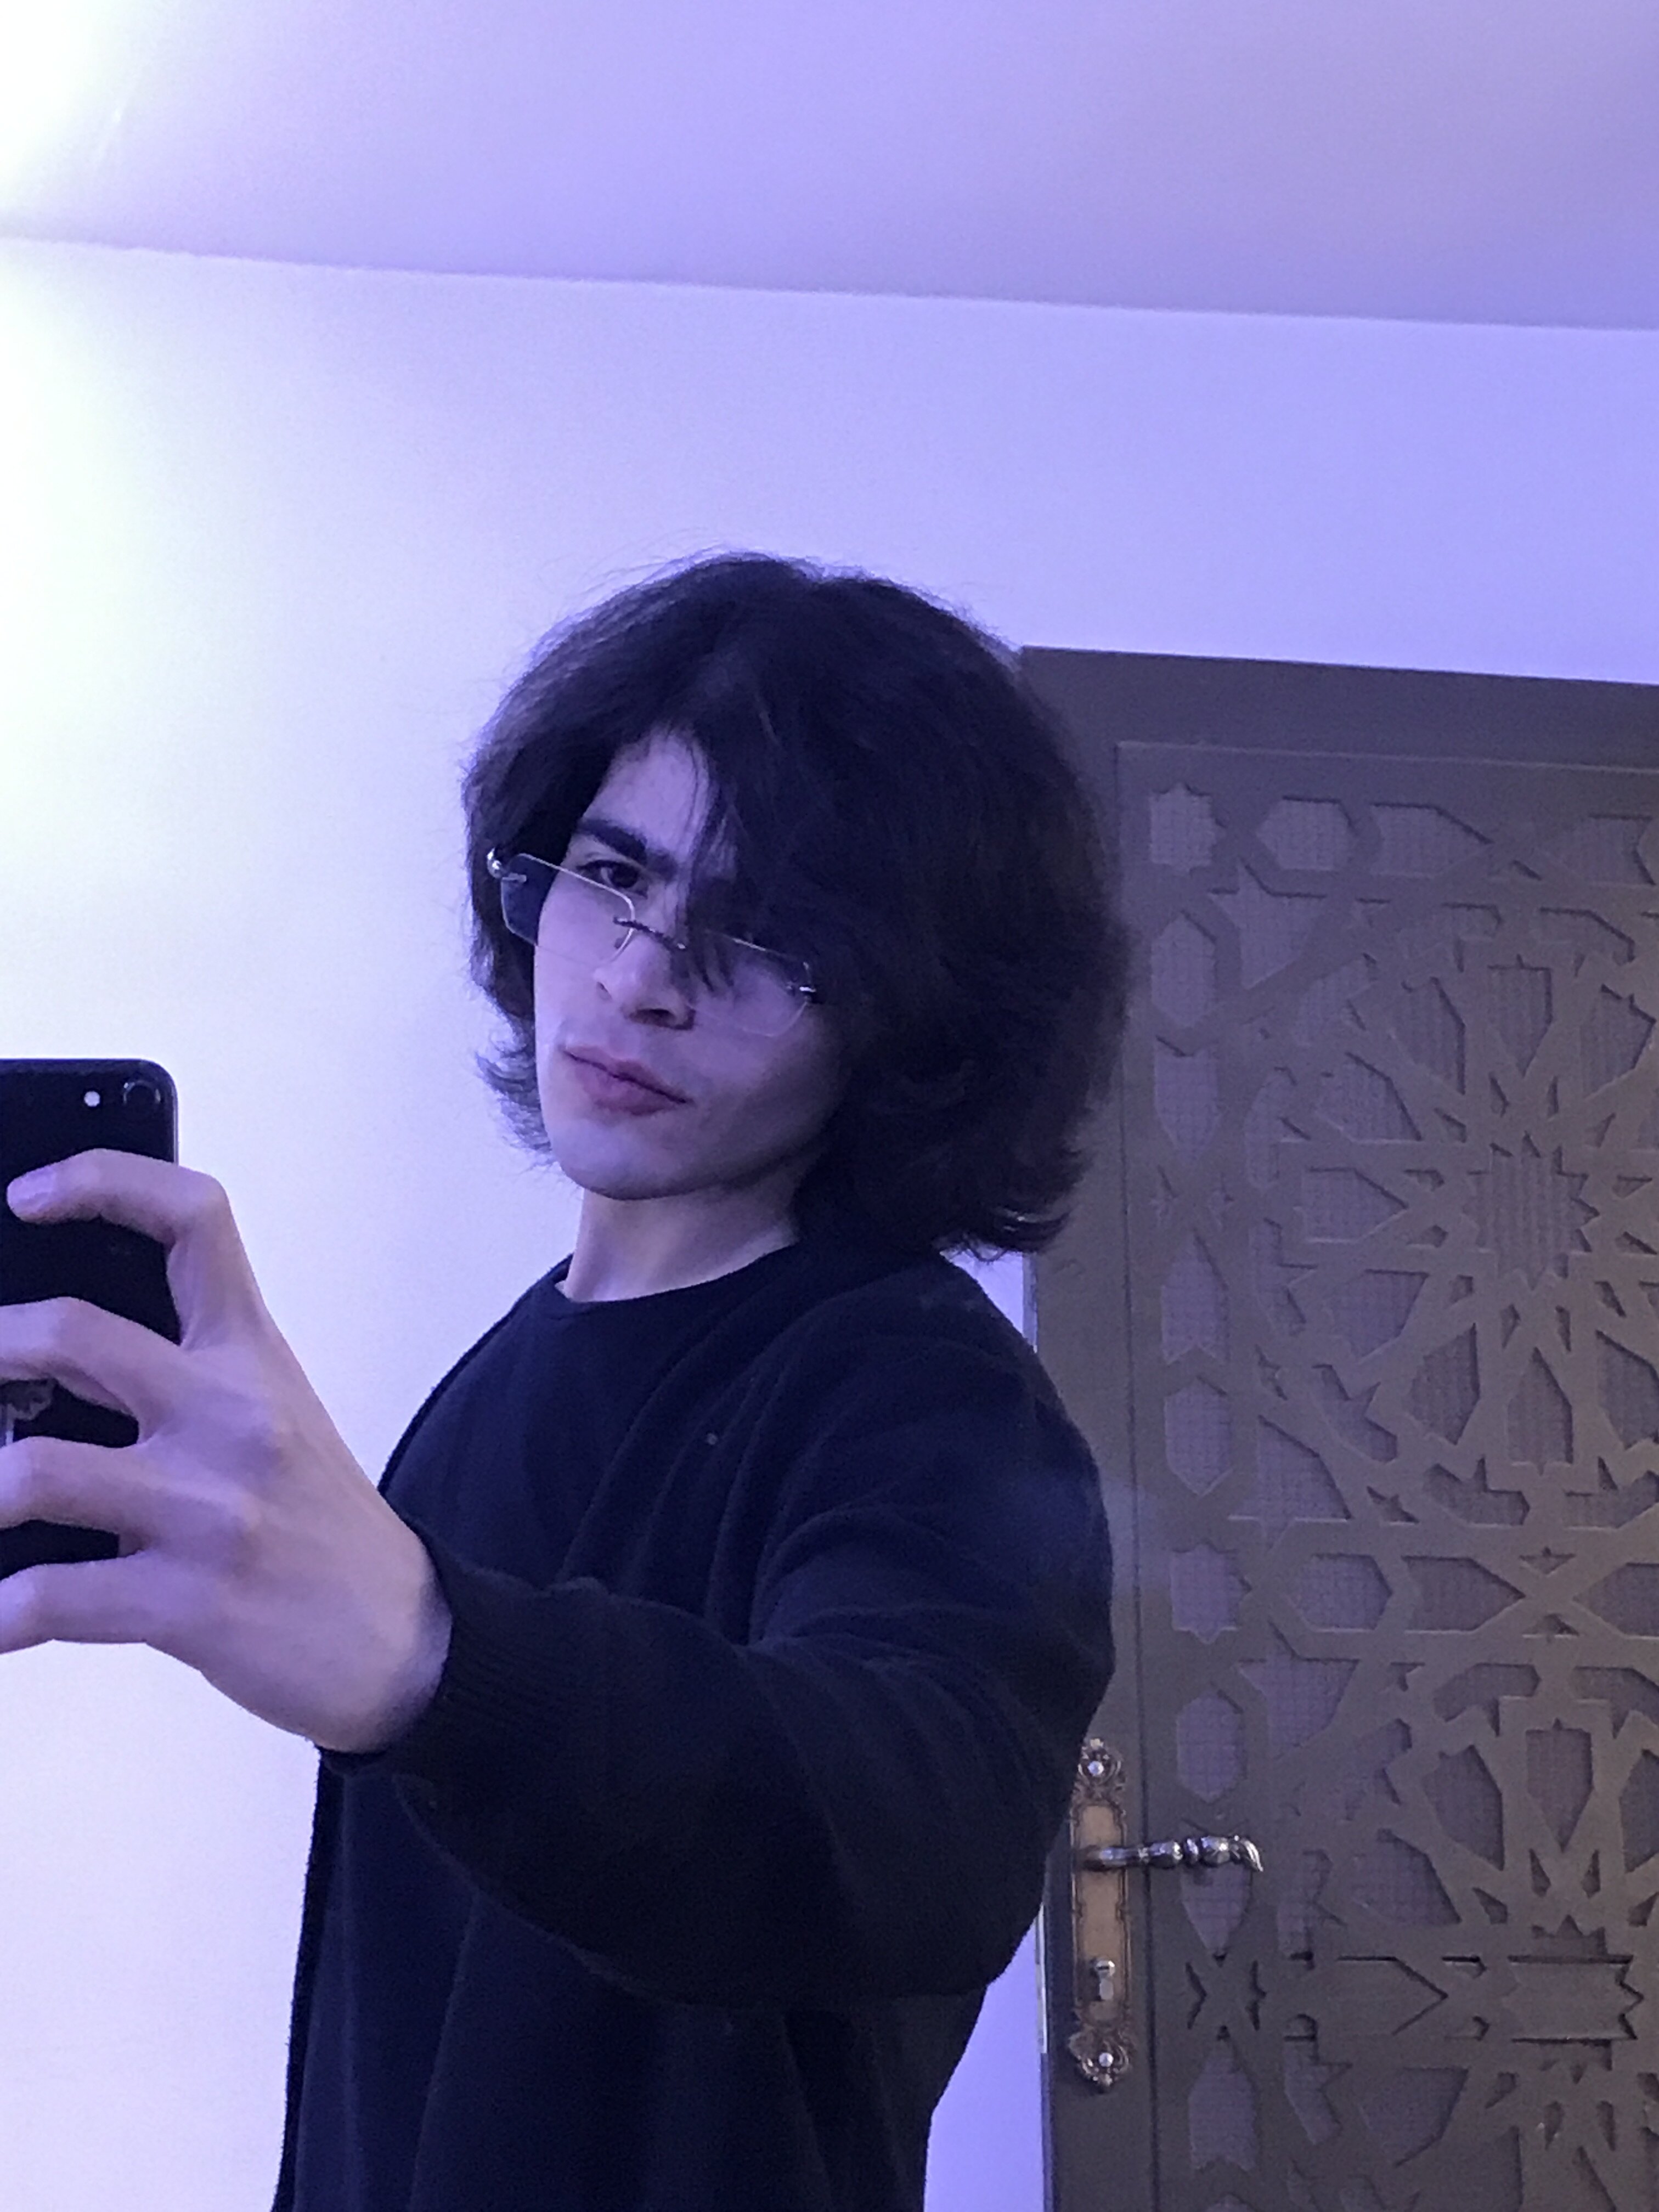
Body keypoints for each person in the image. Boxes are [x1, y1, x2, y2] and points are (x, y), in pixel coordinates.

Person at [0, 554, 1126, 2212]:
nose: (639, 979)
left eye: (771, 937)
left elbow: (916, 1832)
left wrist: (430, 1654)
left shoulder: (926, 1394)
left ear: (916, 1021)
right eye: (613, 875)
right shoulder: (502, 1371)